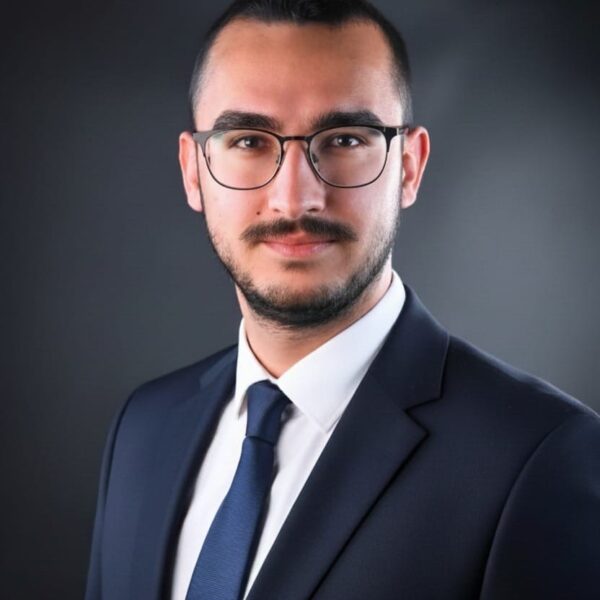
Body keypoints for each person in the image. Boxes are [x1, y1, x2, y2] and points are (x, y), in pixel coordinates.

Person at [84, 1, 600, 599]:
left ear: (408, 167)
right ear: (193, 171)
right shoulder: (144, 427)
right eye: (248, 140)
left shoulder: (539, 457)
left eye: (345, 139)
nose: (294, 198)